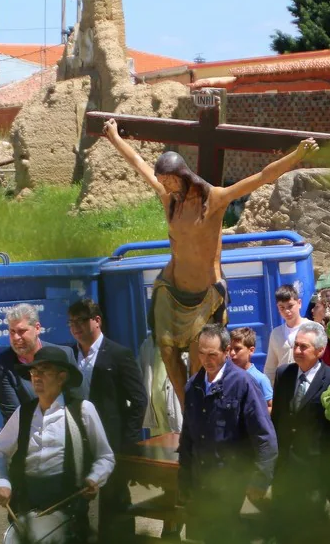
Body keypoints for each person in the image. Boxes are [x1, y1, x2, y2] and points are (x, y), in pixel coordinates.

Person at [103, 117, 318, 408]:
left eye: (170, 182)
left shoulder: (214, 199)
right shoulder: (170, 201)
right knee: (166, 350)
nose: (168, 188)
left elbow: (262, 177)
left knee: (198, 361)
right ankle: (188, 412)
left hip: (204, 294)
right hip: (171, 287)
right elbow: (139, 164)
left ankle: (199, 410)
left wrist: (297, 155)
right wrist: (115, 138)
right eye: (164, 183)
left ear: (183, 175)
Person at [0, 346, 115, 543]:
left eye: (44, 371)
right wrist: (2, 482)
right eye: (33, 372)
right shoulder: (24, 413)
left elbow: (105, 456)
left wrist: (94, 478)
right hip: (26, 505)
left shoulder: (82, 411)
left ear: (62, 377)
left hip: (69, 507)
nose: (36, 377)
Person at [178, 324, 278, 542]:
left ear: (226, 352)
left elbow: (265, 437)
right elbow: (187, 437)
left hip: (231, 481)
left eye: (212, 354)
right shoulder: (193, 386)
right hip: (201, 479)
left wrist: (260, 480)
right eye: (201, 353)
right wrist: (184, 479)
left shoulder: (243, 384)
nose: (206, 360)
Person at [67, 299, 148, 543]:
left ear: (97, 320)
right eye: (71, 322)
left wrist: (128, 440)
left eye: (81, 320)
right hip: (78, 440)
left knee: (115, 499)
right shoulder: (69, 355)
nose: (76, 327)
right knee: (80, 496)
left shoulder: (118, 354)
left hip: (112, 441)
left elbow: (139, 399)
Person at [270, 322, 330, 541]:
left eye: (304, 347)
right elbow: (278, 419)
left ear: (320, 351)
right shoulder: (284, 374)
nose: (297, 351)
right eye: (296, 346)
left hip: (313, 467)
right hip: (284, 465)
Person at [0, 303, 76, 424]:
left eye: (21, 331)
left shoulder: (64, 355)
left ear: (37, 328)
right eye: (12, 331)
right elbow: (13, 415)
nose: (16, 337)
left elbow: (76, 402)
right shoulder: (2, 365)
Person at [264, 284, 315, 382]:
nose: (287, 311)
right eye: (282, 307)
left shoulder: (313, 328)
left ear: (299, 303)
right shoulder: (276, 333)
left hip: (309, 385)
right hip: (285, 388)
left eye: (290, 306)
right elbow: (270, 368)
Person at [229, 327, 274, 412]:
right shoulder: (226, 377)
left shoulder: (260, 379)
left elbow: (272, 408)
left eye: (237, 349)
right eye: (230, 349)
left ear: (251, 350)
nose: (232, 353)